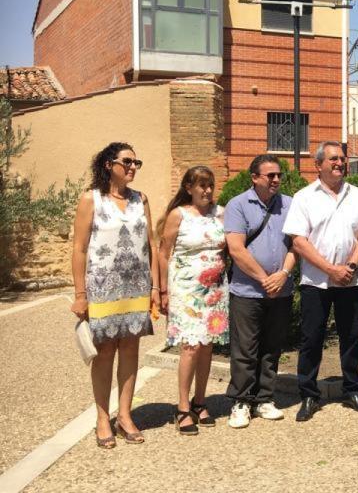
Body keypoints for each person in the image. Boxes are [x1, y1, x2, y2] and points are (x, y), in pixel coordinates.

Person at [71, 142, 158, 448]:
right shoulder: (90, 199)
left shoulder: (140, 200)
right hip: (102, 288)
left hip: (135, 287)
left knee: (131, 350)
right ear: (109, 164)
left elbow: (151, 245)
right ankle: (101, 417)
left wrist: (155, 288)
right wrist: (80, 294)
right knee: (105, 352)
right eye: (128, 161)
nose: (133, 167)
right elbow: (80, 248)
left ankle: (125, 415)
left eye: (137, 162)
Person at [283, 141, 358, 422]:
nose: (340, 163)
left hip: (350, 280)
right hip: (316, 282)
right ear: (319, 165)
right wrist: (329, 269)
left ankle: (352, 390)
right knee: (312, 339)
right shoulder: (304, 197)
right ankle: (309, 395)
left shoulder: (356, 194)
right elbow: (298, 241)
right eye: (334, 159)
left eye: (342, 159)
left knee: (350, 337)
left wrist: (349, 266)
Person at [223, 155, 297, 429]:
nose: (276, 179)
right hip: (247, 290)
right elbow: (236, 248)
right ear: (254, 177)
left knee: (272, 347)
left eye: (279, 175)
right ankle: (241, 401)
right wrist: (265, 279)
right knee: (245, 348)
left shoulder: (289, 205)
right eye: (270, 175)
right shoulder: (238, 205)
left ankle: (265, 398)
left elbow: (296, 245)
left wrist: (284, 274)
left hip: (281, 289)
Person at [157, 166, 230, 435]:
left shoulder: (221, 213)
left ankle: (201, 401)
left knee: (207, 346)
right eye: (201, 185)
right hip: (186, 290)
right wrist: (162, 290)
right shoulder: (178, 215)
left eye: (210, 184)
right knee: (190, 346)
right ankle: (183, 407)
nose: (207, 190)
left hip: (215, 290)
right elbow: (163, 253)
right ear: (189, 188)